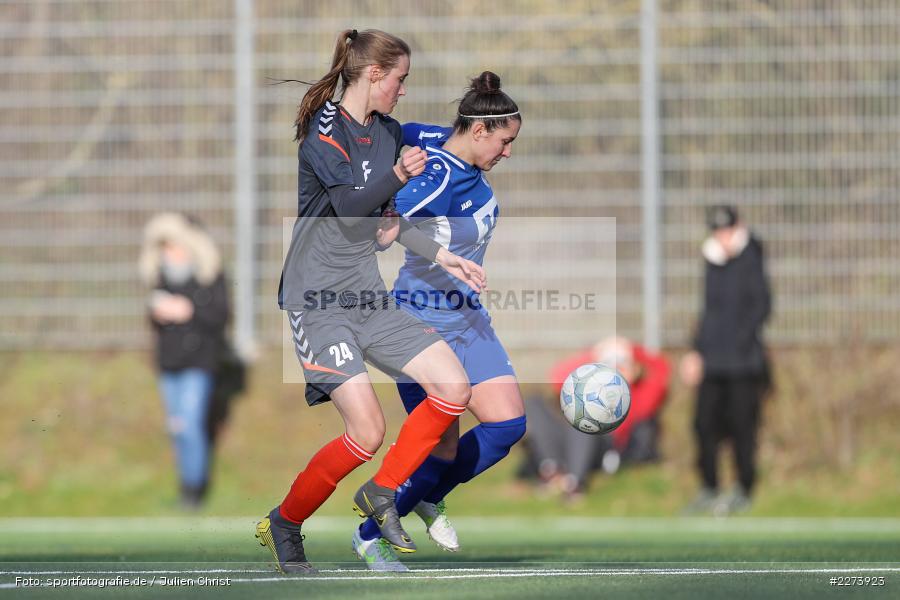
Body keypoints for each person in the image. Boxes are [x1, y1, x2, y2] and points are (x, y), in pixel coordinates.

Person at [255, 29, 487, 575]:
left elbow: (382, 221)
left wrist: (442, 255)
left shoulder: (386, 132)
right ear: (374, 73)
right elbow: (351, 207)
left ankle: (382, 492)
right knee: (367, 432)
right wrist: (397, 175)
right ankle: (284, 524)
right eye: (399, 79)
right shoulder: (324, 130)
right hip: (317, 300)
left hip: (367, 297)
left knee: (454, 387)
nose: (403, 90)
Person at [351, 71, 526, 571]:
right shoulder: (439, 178)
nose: (508, 152)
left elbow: (395, 130)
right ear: (479, 131)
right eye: (504, 142)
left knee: (507, 425)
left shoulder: (435, 137)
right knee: (441, 447)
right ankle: (370, 537)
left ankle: (428, 495)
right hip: (419, 323)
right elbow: (387, 225)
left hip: (467, 317)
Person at [680, 205, 772, 516]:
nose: (722, 237)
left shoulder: (751, 256)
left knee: (742, 427)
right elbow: (708, 312)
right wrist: (696, 351)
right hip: (712, 362)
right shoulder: (712, 261)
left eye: (727, 230)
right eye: (718, 231)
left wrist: (739, 344)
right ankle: (709, 487)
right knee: (703, 424)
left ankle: (743, 488)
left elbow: (762, 306)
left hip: (743, 363)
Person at [139, 212, 229, 509]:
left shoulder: (208, 274)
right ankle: (185, 486)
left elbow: (220, 315)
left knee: (189, 424)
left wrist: (189, 310)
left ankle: (195, 490)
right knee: (177, 428)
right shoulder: (161, 277)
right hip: (169, 363)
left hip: (199, 362)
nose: (170, 252)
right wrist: (159, 313)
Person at [519, 337, 670, 502]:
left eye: (621, 365)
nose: (616, 370)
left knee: (585, 419)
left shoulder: (639, 394)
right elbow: (557, 376)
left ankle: (574, 484)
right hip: (571, 441)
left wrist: (632, 349)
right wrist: (593, 354)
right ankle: (552, 470)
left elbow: (662, 367)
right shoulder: (588, 390)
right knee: (534, 403)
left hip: (603, 446)